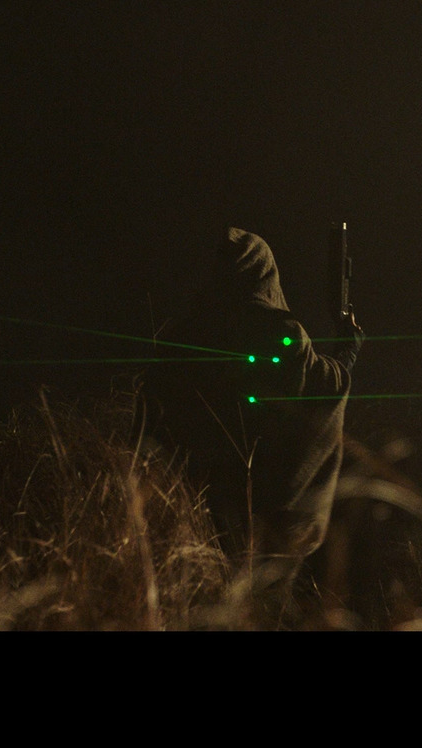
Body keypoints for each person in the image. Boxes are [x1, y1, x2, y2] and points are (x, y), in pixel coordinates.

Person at [139, 227, 363, 610]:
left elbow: (154, 404)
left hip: (194, 504)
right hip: (261, 511)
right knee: (263, 602)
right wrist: (348, 350)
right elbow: (322, 388)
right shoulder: (282, 332)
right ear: (264, 271)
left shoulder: (186, 335)